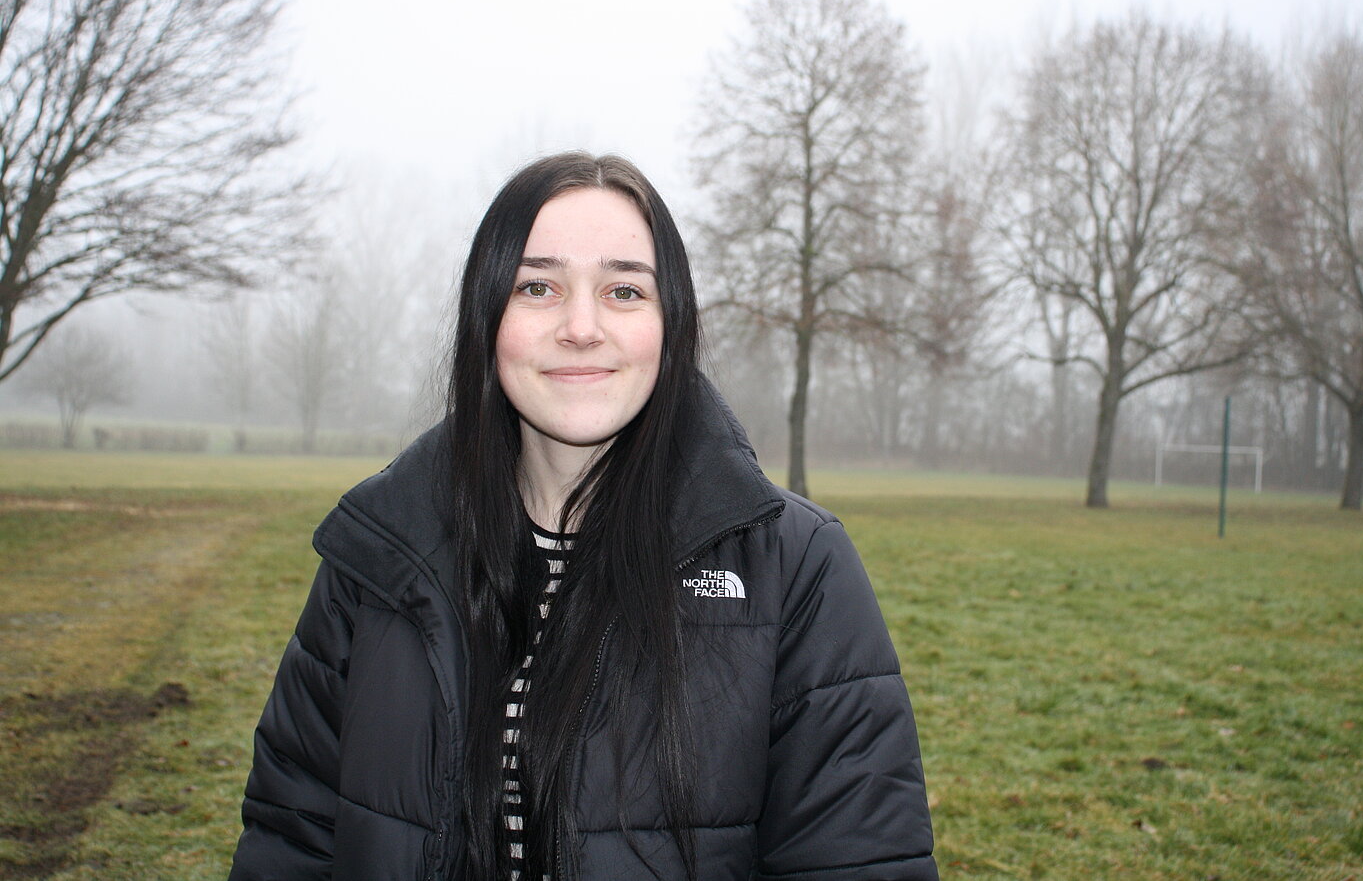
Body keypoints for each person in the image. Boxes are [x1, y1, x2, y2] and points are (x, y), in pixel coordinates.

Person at [228, 152, 938, 881]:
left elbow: (859, 859)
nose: (580, 326)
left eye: (625, 290)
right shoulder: (377, 554)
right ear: (487, 318)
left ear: (672, 325)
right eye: (538, 286)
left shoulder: (797, 566)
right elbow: (291, 839)